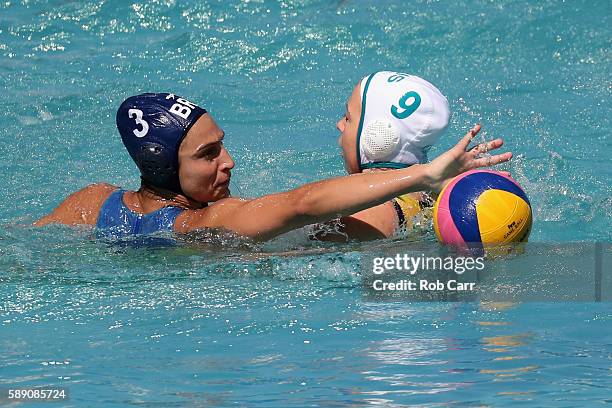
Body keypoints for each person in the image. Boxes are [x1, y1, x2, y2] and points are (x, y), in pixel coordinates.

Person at [34, 92, 511, 242]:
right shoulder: (208, 222)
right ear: (159, 166)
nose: (229, 162)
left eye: (221, 145)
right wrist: (424, 178)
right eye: (207, 155)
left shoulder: (89, 203)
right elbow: (304, 204)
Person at [315, 71, 452, 241]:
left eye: (348, 118)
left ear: (378, 137)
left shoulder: (368, 215)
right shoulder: (430, 197)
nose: (339, 125)